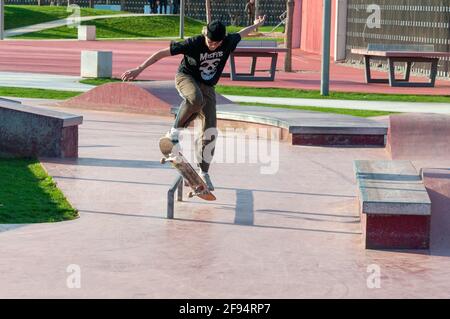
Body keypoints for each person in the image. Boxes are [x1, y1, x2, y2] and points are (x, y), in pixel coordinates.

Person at [121, 16, 266, 190]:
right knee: (196, 99)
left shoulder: (228, 41)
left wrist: (256, 25)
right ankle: (173, 133)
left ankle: (203, 172)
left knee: (210, 130)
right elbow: (161, 53)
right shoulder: (193, 43)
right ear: (205, 34)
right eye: (210, 42)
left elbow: (241, 33)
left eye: (217, 43)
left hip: (208, 87)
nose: (213, 46)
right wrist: (139, 68)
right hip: (186, 78)